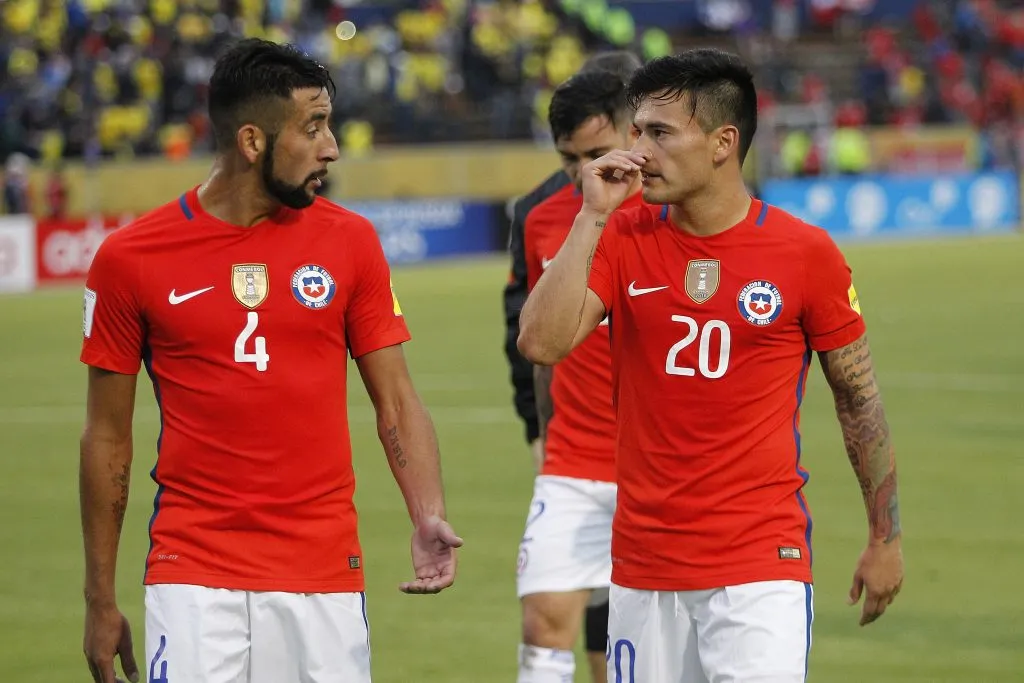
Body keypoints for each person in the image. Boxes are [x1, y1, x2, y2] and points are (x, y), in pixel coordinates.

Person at [78, 39, 462, 683]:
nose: (332, 146)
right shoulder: (129, 258)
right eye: (313, 127)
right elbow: (107, 438)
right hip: (192, 572)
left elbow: (396, 399)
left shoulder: (351, 241)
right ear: (252, 141)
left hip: (323, 573)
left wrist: (426, 512)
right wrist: (99, 599)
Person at [518, 48, 904, 682]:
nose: (637, 149)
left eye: (659, 133)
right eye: (636, 130)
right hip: (644, 568)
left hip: (758, 566)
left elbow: (858, 400)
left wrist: (884, 538)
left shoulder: (806, 254)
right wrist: (591, 215)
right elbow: (541, 342)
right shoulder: (621, 235)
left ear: (724, 142)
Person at [502, 50, 641, 683]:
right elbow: (532, 338)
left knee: (642, 642)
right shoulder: (539, 215)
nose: (586, 172)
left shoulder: (674, 208)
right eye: (569, 159)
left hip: (659, 465)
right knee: (541, 623)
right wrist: (540, 431)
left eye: (598, 152)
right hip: (575, 459)